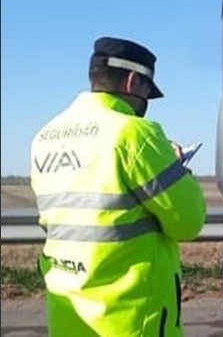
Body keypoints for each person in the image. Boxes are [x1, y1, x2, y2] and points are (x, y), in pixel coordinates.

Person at [29, 36, 207, 337]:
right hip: (131, 320)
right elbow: (189, 223)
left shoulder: (44, 137)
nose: (145, 104)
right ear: (133, 82)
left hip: (68, 317)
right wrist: (178, 168)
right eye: (148, 93)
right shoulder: (135, 134)